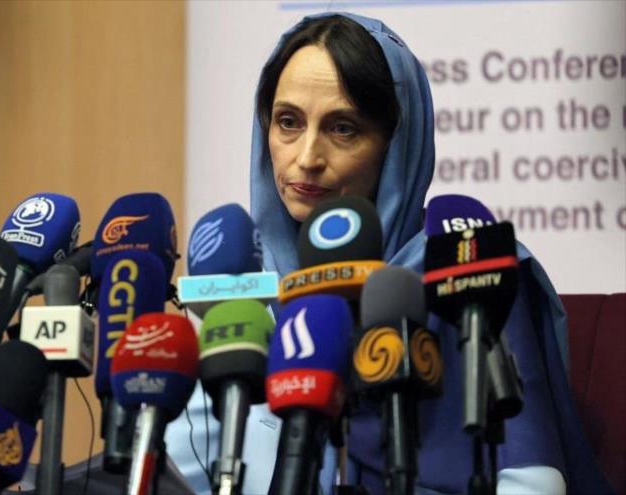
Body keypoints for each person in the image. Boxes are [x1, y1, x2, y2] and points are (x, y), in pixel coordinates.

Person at [166, 12, 613, 495]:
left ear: (395, 144)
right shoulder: (242, 281)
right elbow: (175, 471)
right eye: (288, 122)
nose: (307, 157)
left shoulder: (467, 273)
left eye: (343, 128)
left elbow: (533, 481)